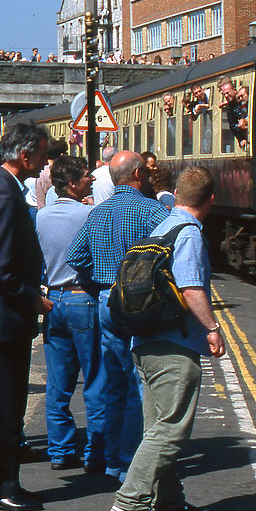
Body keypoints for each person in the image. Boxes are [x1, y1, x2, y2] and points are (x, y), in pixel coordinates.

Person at [110, 166, 225, 511]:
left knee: (156, 428)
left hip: (144, 341)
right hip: (175, 344)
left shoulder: (160, 228)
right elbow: (191, 287)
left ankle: (168, 501)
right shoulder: (189, 234)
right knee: (172, 430)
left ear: (176, 193)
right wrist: (212, 327)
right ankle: (131, 500)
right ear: (210, 200)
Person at [66, 151, 170, 483]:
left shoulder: (97, 214)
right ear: (139, 174)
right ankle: (131, 462)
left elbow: (76, 256)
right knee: (142, 383)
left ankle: (113, 460)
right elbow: (171, 255)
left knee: (115, 381)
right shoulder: (153, 211)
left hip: (108, 299)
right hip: (143, 302)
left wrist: (95, 284)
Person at [0, 123, 51, 511]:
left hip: (4, 319)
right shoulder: (4, 196)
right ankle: (3, 486)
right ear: (25, 156)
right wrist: (32, 299)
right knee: (5, 407)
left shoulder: (4, 188)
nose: (47, 163)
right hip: (2, 322)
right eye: (43, 155)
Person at [35, 155, 102, 472]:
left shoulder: (42, 217)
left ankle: (60, 450)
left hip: (53, 301)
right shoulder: (91, 214)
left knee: (58, 384)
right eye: (87, 176)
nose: (92, 180)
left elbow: (35, 261)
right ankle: (96, 451)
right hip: (83, 297)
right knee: (95, 378)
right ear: (73, 183)